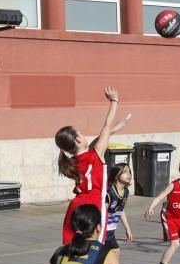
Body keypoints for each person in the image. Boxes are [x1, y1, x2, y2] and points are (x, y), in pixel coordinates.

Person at [55, 87, 130, 244]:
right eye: (81, 133)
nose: (83, 135)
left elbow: (102, 136)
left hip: (76, 205)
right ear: (78, 140)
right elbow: (106, 126)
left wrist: (114, 130)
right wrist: (114, 101)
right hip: (95, 204)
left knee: (70, 243)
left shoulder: (72, 161)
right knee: (95, 245)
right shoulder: (95, 155)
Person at [104, 163, 134, 264]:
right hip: (103, 232)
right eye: (125, 172)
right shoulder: (109, 192)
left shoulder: (125, 192)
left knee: (115, 253)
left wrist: (127, 228)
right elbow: (102, 212)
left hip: (111, 231)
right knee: (111, 255)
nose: (129, 174)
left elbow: (121, 210)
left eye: (129, 172)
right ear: (116, 175)